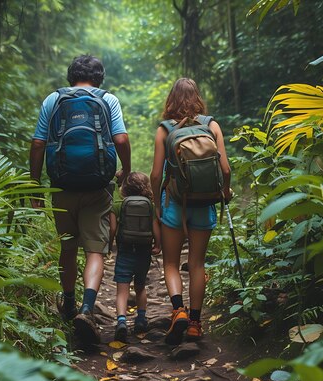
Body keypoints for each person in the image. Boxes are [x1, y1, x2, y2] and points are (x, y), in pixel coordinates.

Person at [30, 55, 131, 345]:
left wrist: (35, 184)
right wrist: (125, 170)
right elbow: (121, 140)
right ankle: (87, 309)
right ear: (99, 78)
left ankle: (69, 305)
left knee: (67, 246)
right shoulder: (108, 99)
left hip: (62, 185)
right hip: (97, 186)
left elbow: (38, 144)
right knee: (95, 251)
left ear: (70, 76)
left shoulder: (53, 99)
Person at [150, 78, 231, 345]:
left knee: (171, 263)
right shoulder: (212, 125)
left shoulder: (164, 130)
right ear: (197, 97)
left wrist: (157, 204)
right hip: (205, 204)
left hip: (175, 203)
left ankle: (178, 311)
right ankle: (195, 324)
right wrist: (226, 192)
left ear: (170, 100)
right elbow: (226, 170)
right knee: (197, 264)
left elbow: (155, 174)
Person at [109, 172, 161, 342]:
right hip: (143, 251)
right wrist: (157, 245)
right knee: (140, 286)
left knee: (122, 289)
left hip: (125, 250)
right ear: (146, 188)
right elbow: (155, 228)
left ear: (124, 188)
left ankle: (122, 321)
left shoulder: (119, 205)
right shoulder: (150, 206)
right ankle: (140, 319)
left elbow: (112, 228)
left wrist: (109, 245)